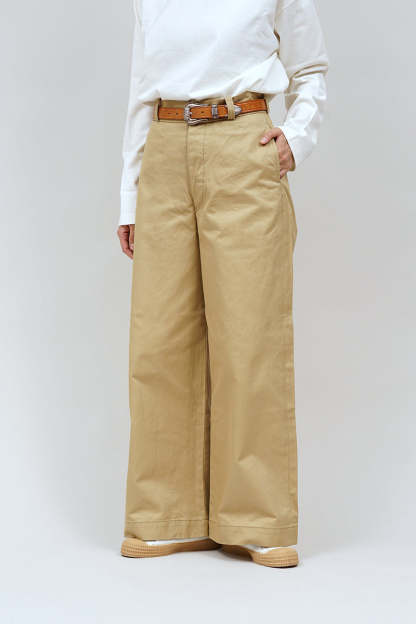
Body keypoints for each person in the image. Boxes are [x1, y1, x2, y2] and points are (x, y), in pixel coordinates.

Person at [117, 0, 328, 568]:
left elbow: (311, 67)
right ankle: (167, 515)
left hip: (243, 143)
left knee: (248, 338)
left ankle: (257, 519)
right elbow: (140, 89)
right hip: (164, 149)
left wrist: (296, 137)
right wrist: (129, 195)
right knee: (159, 341)